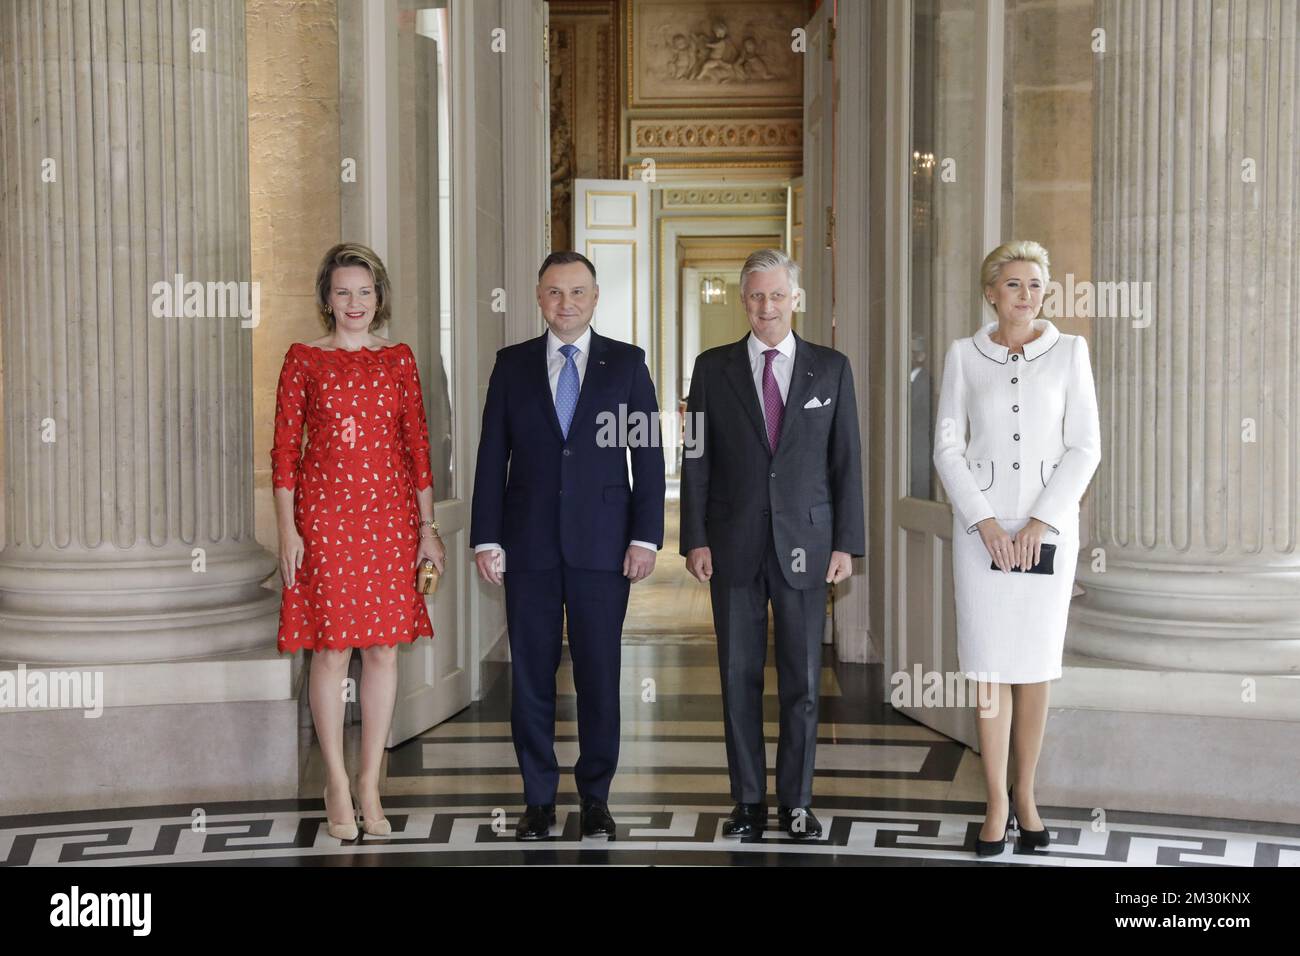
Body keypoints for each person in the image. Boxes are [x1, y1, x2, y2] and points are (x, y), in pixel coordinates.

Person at [470, 251, 665, 841]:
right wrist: (486, 537)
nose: (566, 304)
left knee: (600, 674)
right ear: (538, 297)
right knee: (530, 674)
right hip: (527, 547)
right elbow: (489, 459)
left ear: (595, 297)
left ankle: (597, 798)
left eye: (577, 292)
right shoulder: (512, 365)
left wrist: (645, 536)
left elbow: (649, 459)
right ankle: (537, 799)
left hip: (603, 549)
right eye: (555, 292)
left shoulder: (627, 365)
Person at [680, 248, 864, 840]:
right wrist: (694, 539)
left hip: (808, 543)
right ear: (744, 300)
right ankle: (749, 804)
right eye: (757, 296)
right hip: (732, 543)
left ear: (796, 299)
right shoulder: (711, 368)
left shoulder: (831, 369)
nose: (767, 307)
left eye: (777, 295)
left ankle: (798, 803)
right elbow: (697, 458)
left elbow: (846, 463)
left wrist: (846, 545)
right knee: (737, 678)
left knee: (804, 680)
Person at [271, 242, 446, 842]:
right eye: (343, 292)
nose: (354, 303)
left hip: (391, 521)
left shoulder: (398, 359)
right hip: (323, 522)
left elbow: (417, 449)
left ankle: (370, 780)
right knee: (329, 651)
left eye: (365, 292)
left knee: (383, 651)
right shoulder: (302, 360)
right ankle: (336, 782)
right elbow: (284, 454)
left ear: (379, 299)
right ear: (326, 298)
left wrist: (428, 530)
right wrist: (287, 528)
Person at [931, 240, 1101, 856]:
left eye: (1034, 284)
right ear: (990, 293)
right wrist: (987, 524)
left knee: (1034, 669)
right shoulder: (963, 357)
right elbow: (948, 448)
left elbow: (1085, 448)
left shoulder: (1070, 354)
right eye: (1013, 285)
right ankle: (995, 802)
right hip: (983, 540)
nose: (1025, 295)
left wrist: (1039, 523)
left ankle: (1025, 795)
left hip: (1047, 536)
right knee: (987, 668)